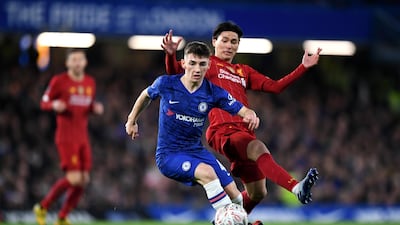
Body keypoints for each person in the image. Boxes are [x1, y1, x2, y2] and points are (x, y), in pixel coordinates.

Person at [162, 21, 321, 222]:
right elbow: (175, 74)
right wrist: (169, 55)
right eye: (225, 40)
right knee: (258, 148)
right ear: (214, 41)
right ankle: (296, 187)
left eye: (234, 42)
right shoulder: (207, 64)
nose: (229, 45)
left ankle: (226, 220)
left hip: (243, 133)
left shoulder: (242, 71)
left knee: (257, 192)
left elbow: (275, 87)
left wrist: (302, 67)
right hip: (222, 130)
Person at [125, 41, 260, 215]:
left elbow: (241, 109)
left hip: (196, 151)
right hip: (169, 155)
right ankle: (225, 217)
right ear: (184, 63)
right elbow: (146, 95)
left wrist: (250, 114)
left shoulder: (213, 92)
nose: (197, 69)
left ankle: (232, 218)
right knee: (208, 173)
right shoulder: (166, 84)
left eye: (202, 64)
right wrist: (131, 120)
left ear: (209, 65)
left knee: (236, 195)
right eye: (192, 63)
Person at [33, 49, 104, 225]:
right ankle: (43, 206)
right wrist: (53, 104)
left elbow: (86, 106)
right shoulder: (59, 81)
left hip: (82, 137)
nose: (77, 63)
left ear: (85, 62)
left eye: (80, 59)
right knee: (74, 179)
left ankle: (62, 217)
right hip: (66, 137)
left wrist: (94, 109)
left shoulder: (90, 83)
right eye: (74, 60)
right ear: (68, 63)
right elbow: (44, 101)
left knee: (84, 180)